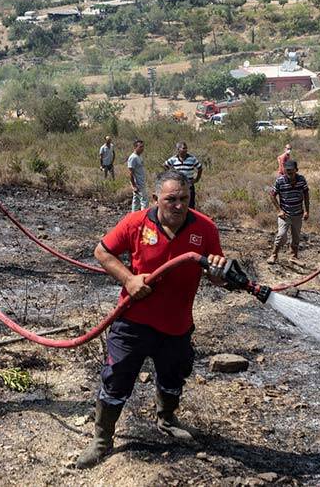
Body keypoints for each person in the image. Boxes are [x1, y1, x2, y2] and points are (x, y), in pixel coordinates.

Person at [76, 171, 228, 469]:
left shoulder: (205, 228)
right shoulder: (135, 223)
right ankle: (102, 439)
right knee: (117, 378)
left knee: (174, 377)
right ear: (155, 199)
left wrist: (219, 272)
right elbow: (102, 252)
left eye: (184, 199)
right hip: (132, 321)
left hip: (176, 325)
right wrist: (129, 280)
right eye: (171, 199)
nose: (179, 205)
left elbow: (215, 275)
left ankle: (167, 419)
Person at [269, 159, 310, 264]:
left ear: (296, 170)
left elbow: (306, 194)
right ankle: (274, 255)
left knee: (296, 237)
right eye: (287, 171)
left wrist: (307, 211)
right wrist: (279, 210)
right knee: (281, 235)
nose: (290, 174)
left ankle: (293, 256)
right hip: (285, 214)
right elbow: (272, 195)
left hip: (298, 214)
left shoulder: (301, 179)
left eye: (291, 171)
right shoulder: (280, 181)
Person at [164, 142, 204, 210]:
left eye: (186, 148)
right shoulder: (173, 159)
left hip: (189, 185)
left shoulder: (192, 158)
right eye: (183, 148)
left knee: (190, 204)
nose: (185, 150)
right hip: (177, 186)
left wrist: (197, 179)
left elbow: (200, 168)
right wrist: (171, 174)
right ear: (178, 149)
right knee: (178, 203)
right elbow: (165, 165)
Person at [126, 139, 146, 212]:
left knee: (136, 202)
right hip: (138, 184)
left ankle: (133, 217)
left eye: (143, 146)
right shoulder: (133, 157)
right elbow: (130, 173)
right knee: (144, 201)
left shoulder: (139, 156)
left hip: (141, 182)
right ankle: (144, 218)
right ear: (135, 147)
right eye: (140, 147)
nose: (142, 148)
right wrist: (134, 186)